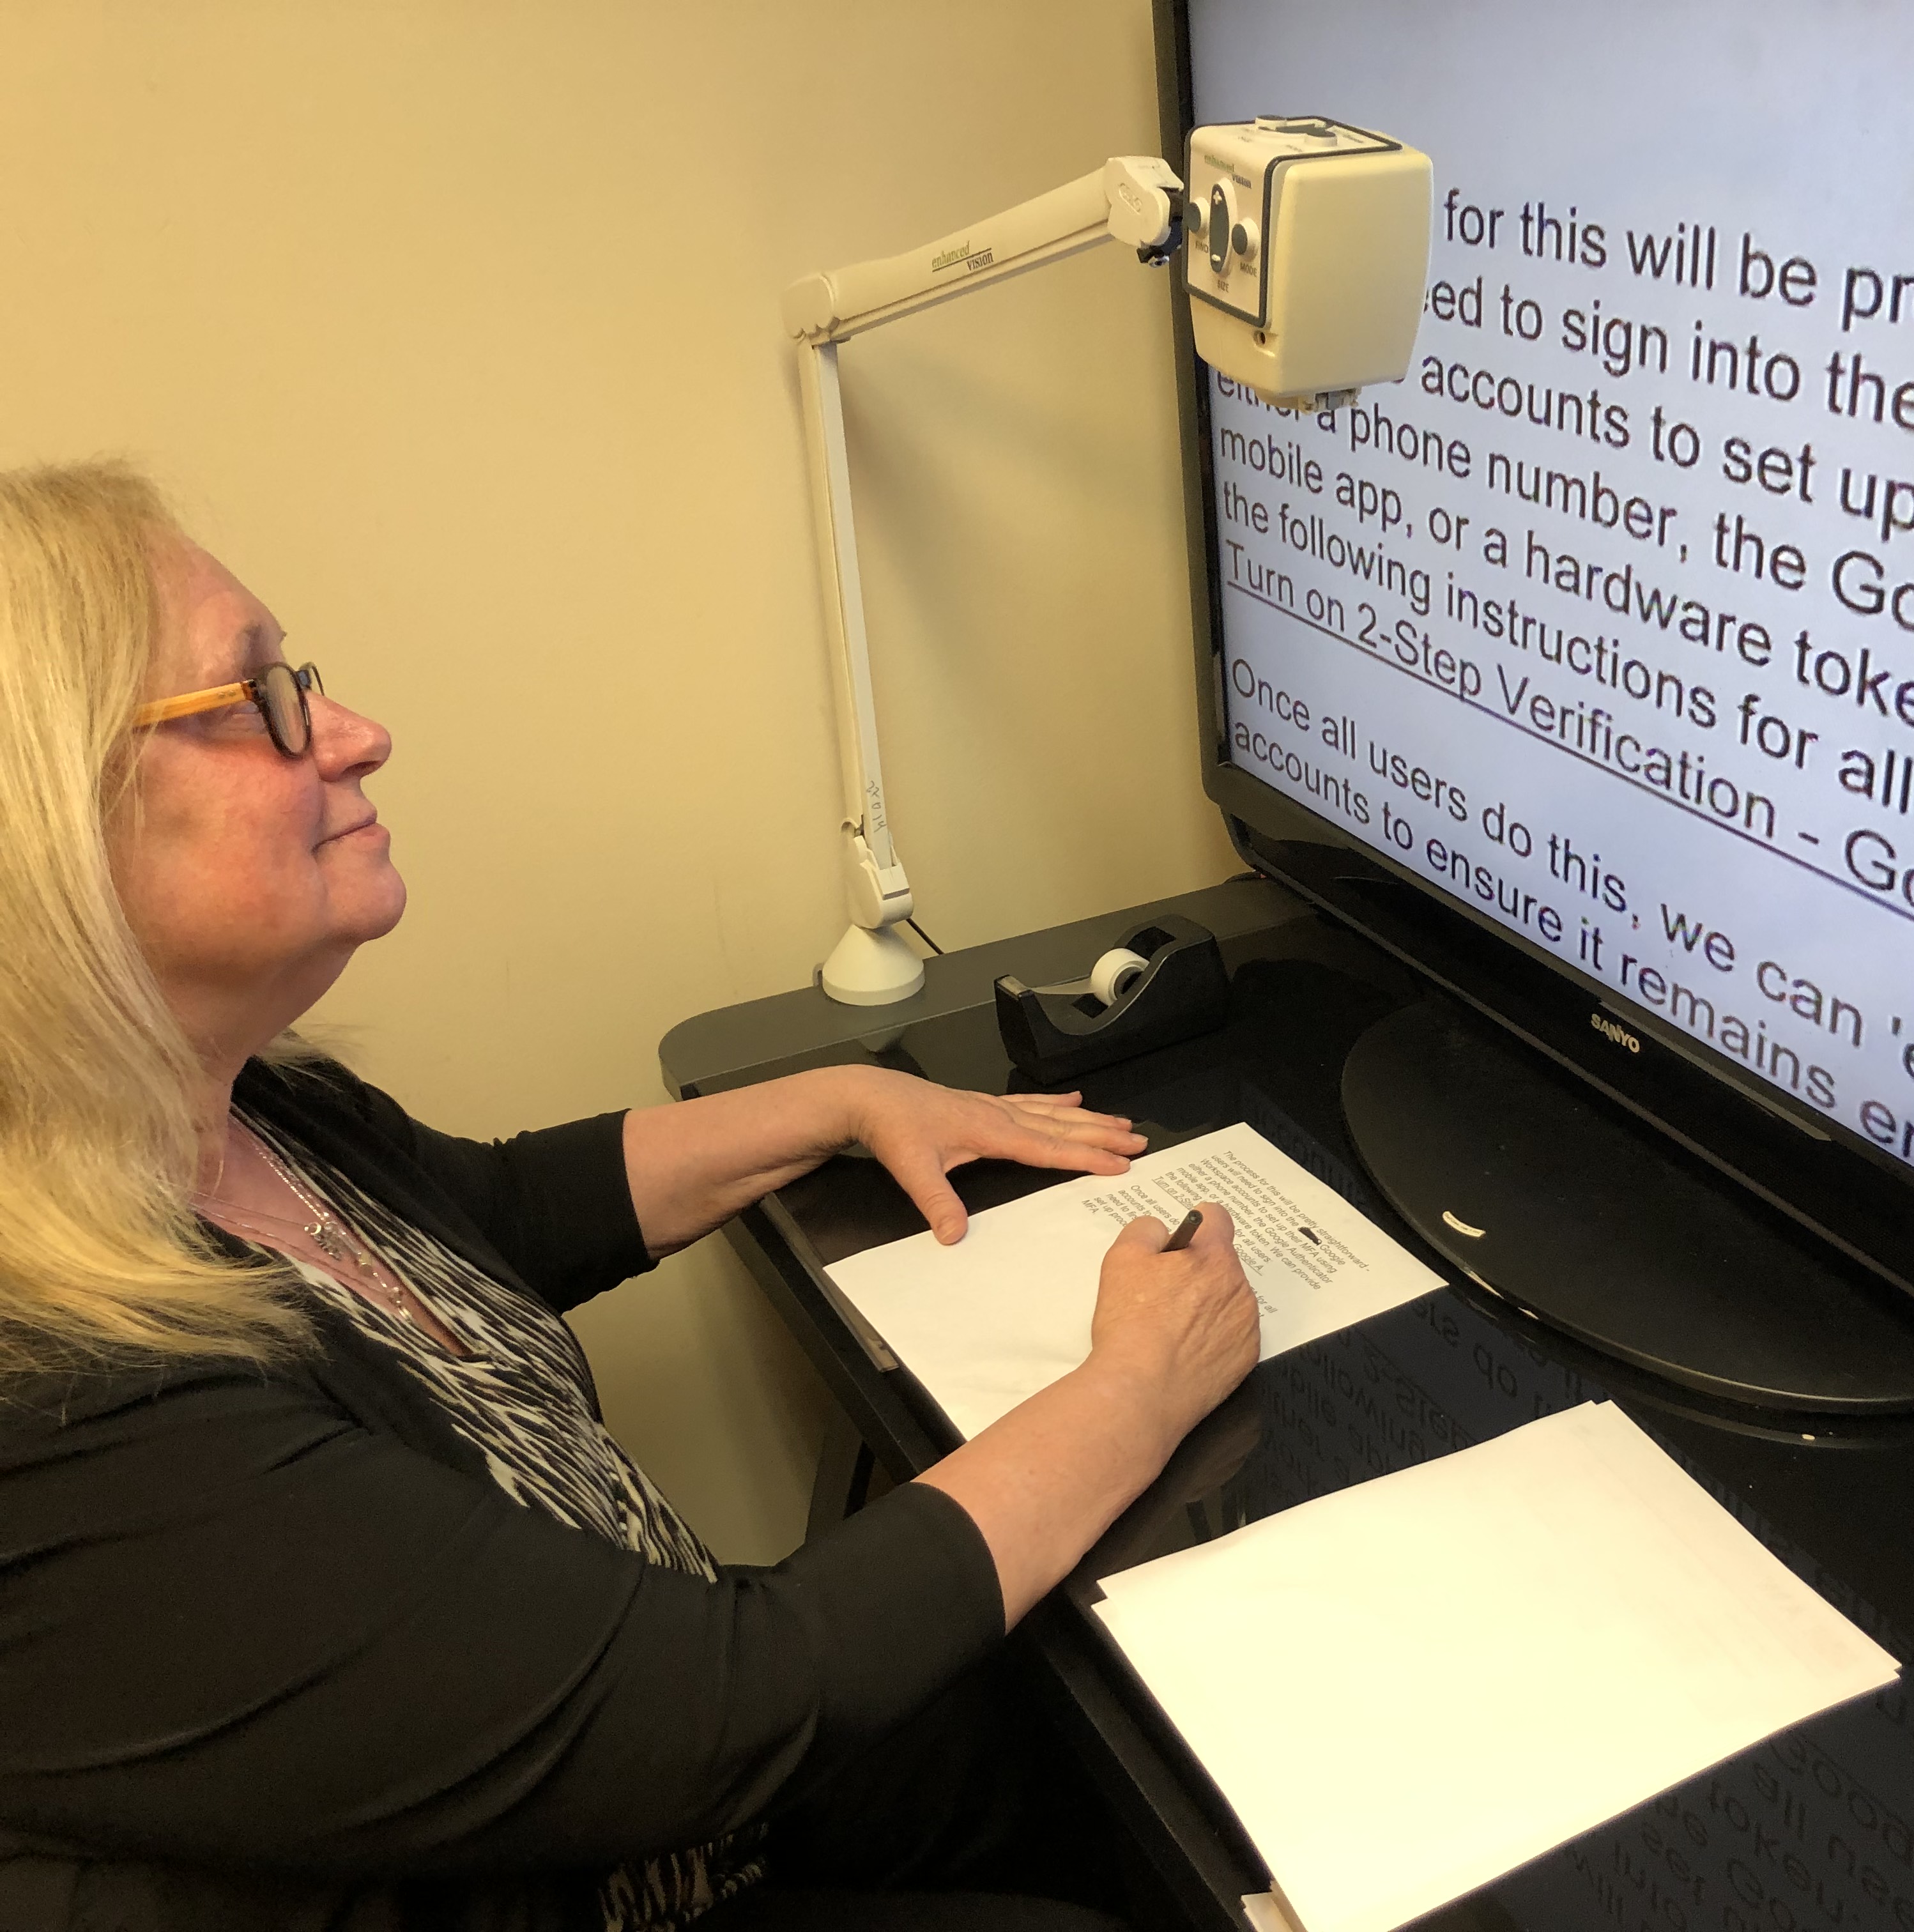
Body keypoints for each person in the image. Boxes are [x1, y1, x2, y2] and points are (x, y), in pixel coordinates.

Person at [0, 462, 1262, 1932]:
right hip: (642, 1840)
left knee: (1066, 1743)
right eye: (259, 700)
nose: (355, 734)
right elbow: (724, 1704)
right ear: (50, 835)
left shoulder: (235, 1106)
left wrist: (842, 1096)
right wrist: (1134, 1390)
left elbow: (490, 1215)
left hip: (671, 1780)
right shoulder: (78, 1410)